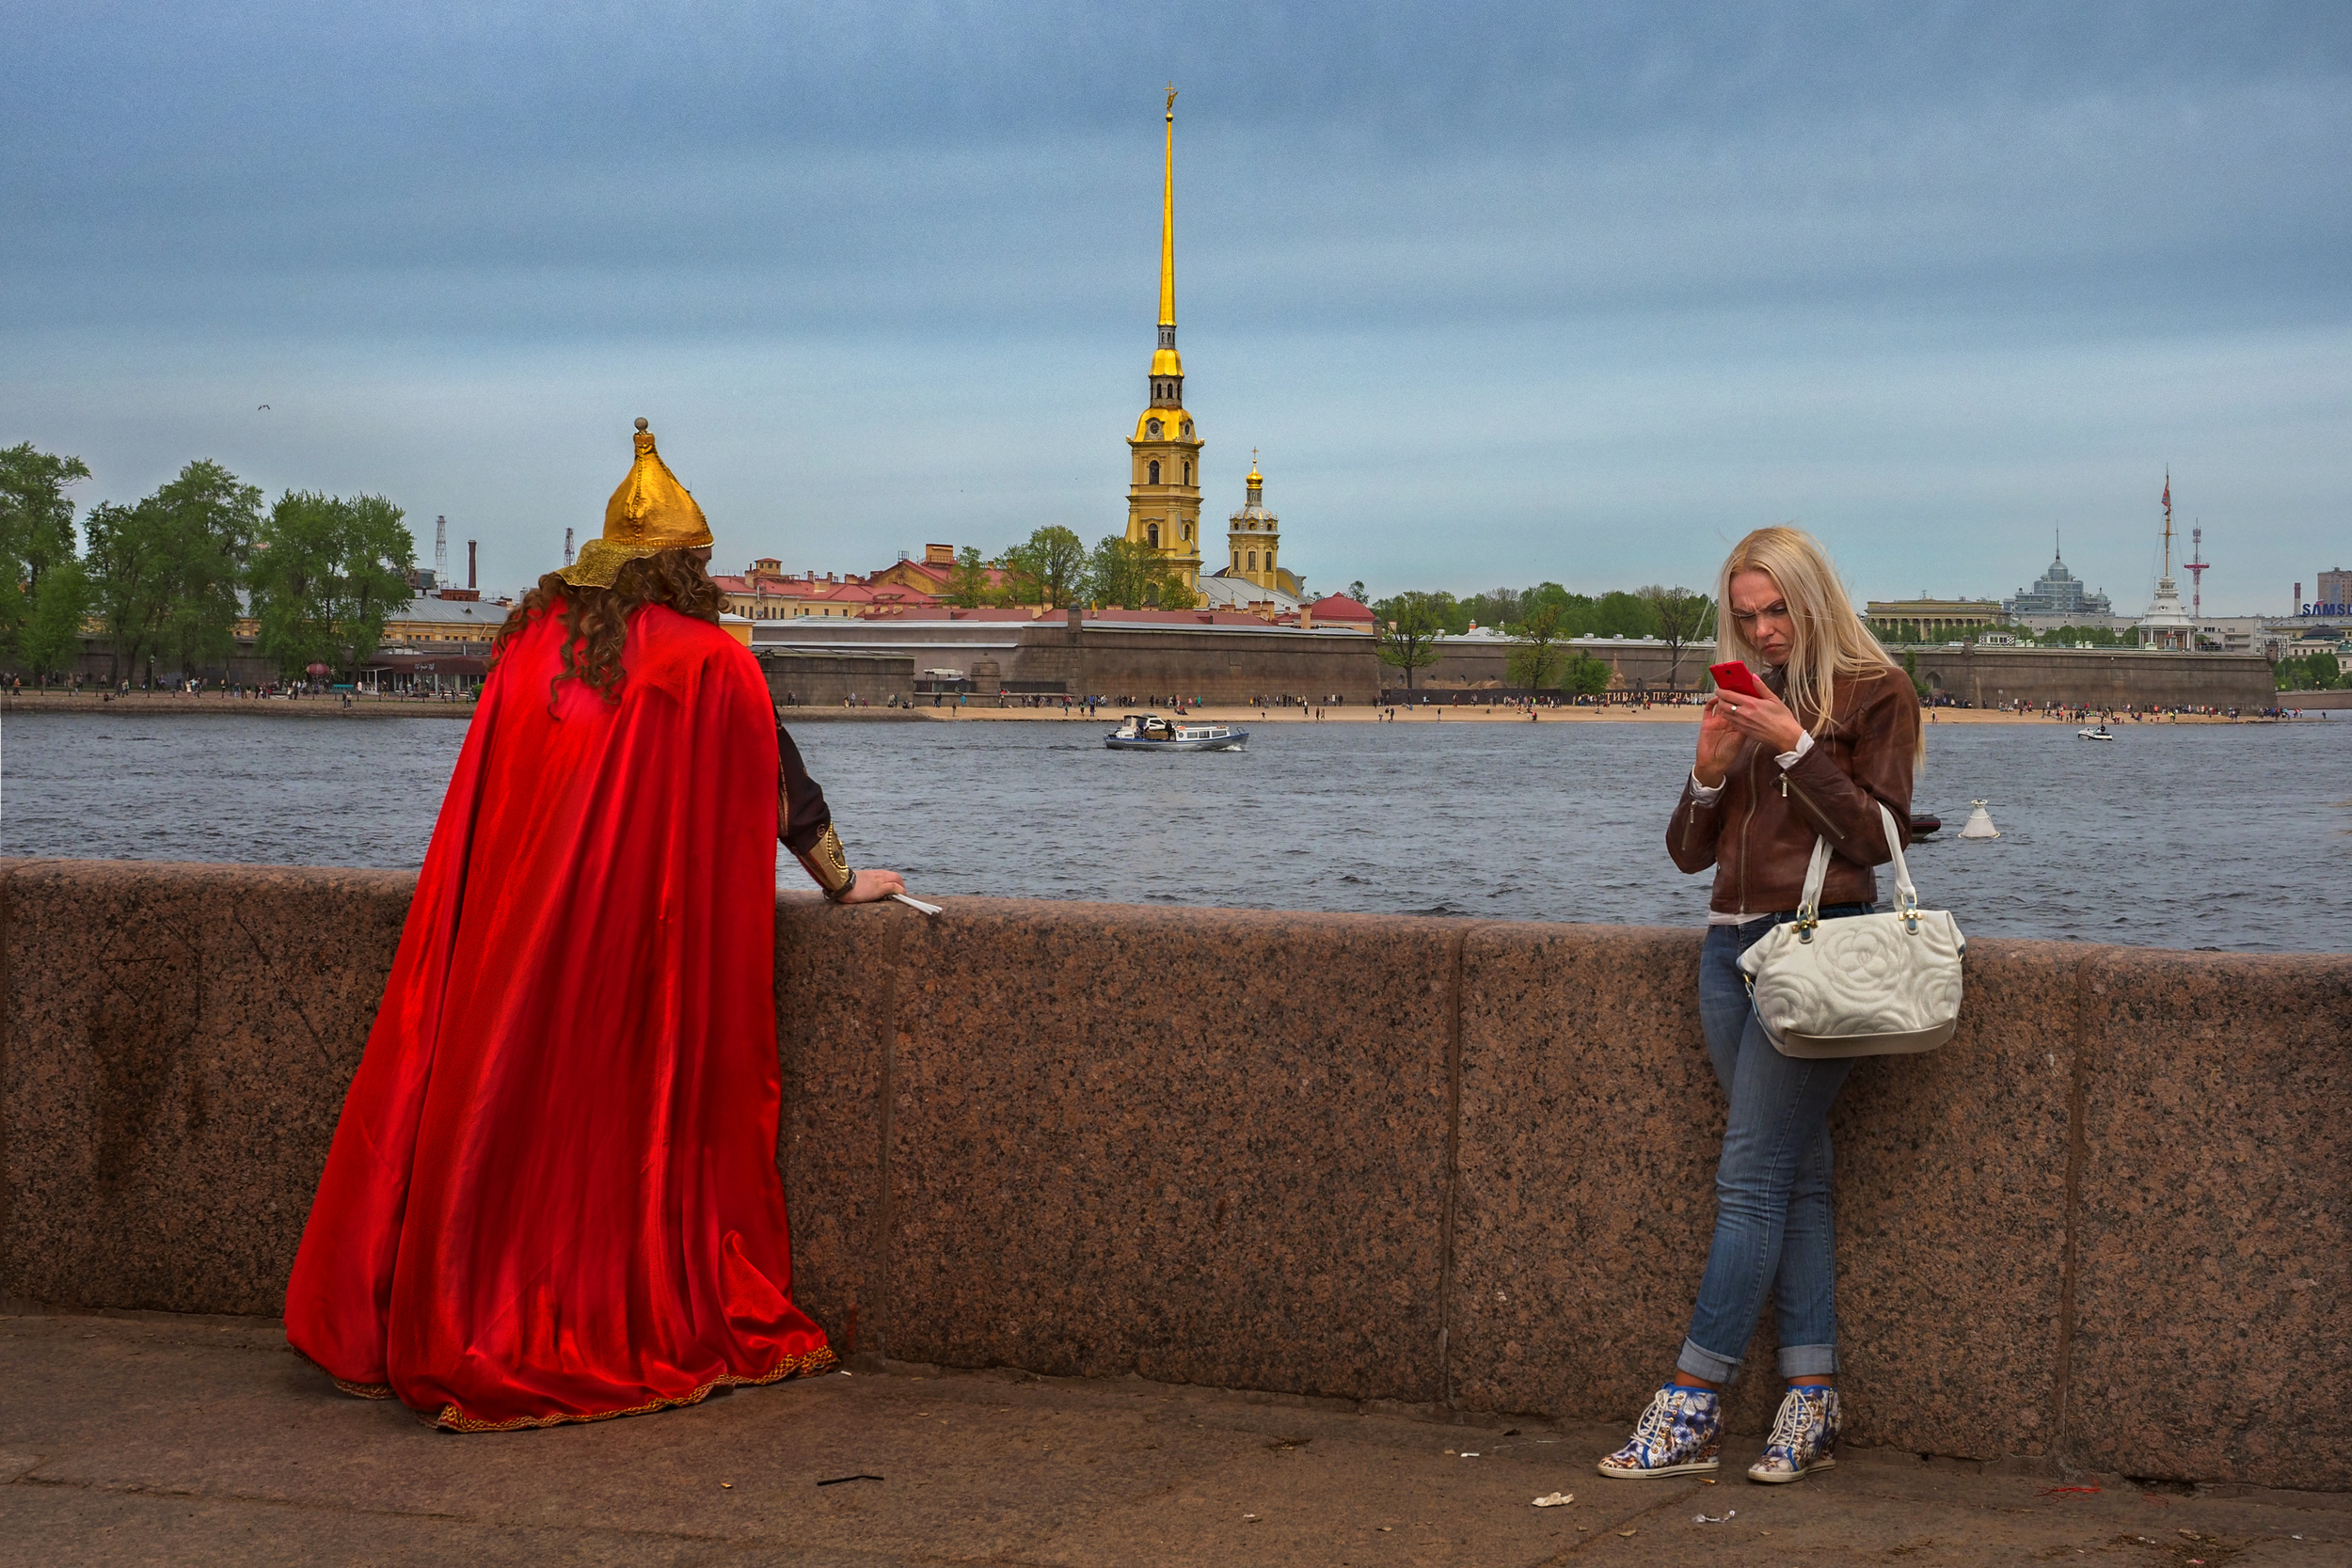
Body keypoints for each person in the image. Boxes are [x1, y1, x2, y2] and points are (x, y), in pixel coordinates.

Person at [286, 420, 907, 1431]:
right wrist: (840, 882)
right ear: (684, 571)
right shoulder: (708, 662)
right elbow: (780, 785)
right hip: (622, 951)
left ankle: (449, 1303)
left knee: (503, 1124)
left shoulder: (532, 647)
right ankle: (560, 1316)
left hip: (502, 941)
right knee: (599, 1146)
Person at [1597, 525, 1921, 1485]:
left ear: (1813, 599)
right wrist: (1707, 762)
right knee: (1796, 1174)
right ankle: (1811, 1390)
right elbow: (1691, 853)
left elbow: (1875, 834)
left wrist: (1790, 748)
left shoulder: (1875, 690)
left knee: (1747, 1176)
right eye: (1745, 616)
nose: (1763, 630)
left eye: (1777, 610)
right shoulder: (1748, 692)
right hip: (1726, 953)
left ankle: (1691, 1399)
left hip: (1815, 952)